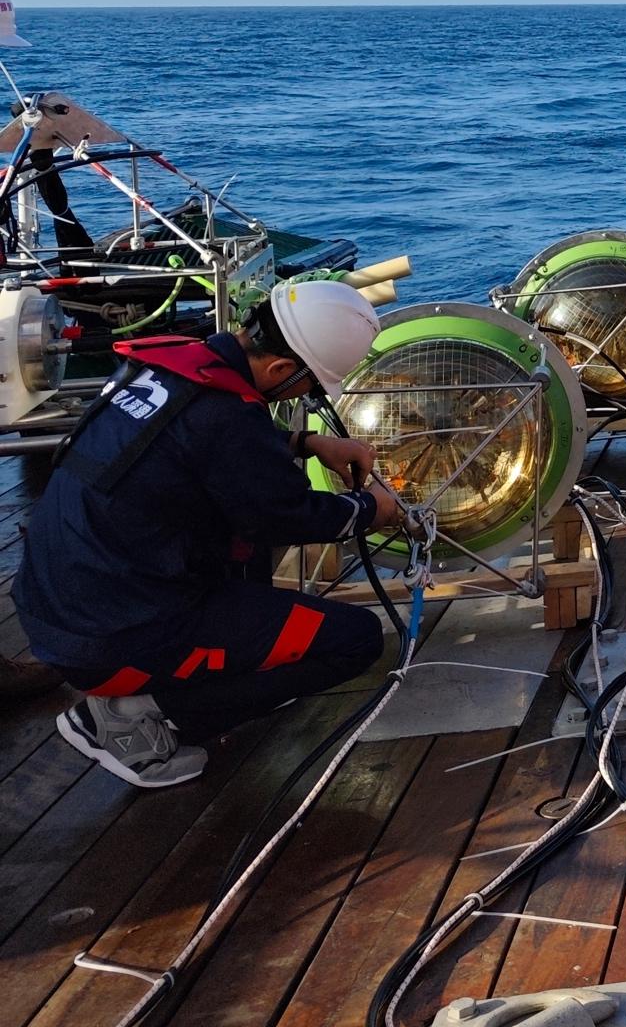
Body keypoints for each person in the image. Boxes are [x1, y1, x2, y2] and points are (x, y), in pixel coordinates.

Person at [16, 278, 397, 788]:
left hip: (57, 606)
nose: (305, 393)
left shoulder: (163, 366)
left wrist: (304, 442)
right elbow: (286, 516)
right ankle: (136, 719)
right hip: (112, 637)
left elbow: (191, 444)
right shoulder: (226, 418)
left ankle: (202, 678)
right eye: (307, 384)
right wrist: (372, 508)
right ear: (282, 370)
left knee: (248, 566)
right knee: (356, 640)